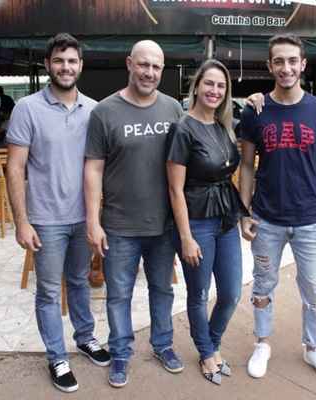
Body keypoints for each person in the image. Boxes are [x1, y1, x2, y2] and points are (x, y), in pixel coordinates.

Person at [6, 33, 110, 393]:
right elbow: (15, 168)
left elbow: (101, 166)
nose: (66, 67)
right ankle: (57, 356)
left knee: (81, 281)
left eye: (72, 61)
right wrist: (21, 221)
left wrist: (98, 217)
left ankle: (85, 337)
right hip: (46, 220)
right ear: (48, 64)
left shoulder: (94, 110)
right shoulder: (28, 109)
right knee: (49, 291)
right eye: (59, 60)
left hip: (84, 217)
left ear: (81, 65)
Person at [238, 34, 316, 382]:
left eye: (292, 61)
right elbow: (247, 165)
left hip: (311, 219)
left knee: (315, 290)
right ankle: (262, 343)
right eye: (278, 61)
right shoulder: (256, 110)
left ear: (303, 64)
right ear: (269, 66)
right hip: (267, 218)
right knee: (263, 285)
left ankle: (313, 349)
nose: (286, 68)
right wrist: (245, 211)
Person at [84, 40, 185, 388]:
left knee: (162, 290)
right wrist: (93, 221)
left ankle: (163, 345)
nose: (149, 73)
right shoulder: (104, 112)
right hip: (119, 225)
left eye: (156, 67)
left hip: (162, 224)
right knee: (118, 294)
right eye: (143, 65)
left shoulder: (174, 109)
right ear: (129, 64)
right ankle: (121, 354)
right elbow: (93, 169)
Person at [166, 59, 248, 385]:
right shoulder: (182, 128)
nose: (215, 90)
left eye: (221, 86)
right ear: (197, 86)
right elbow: (174, 188)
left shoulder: (222, 126)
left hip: (225, 220)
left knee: (230, 293)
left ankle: (210, 344)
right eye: (209, 83)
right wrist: (185, 237)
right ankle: (207, 353)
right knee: (199, 294)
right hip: (196, 222)